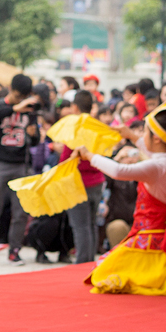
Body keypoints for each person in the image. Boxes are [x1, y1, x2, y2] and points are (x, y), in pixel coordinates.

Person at [79, 96, 166, 295]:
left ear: (157, 138)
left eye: (144, 132)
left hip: (150, 236)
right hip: (161, 233)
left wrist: (89, 156)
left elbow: (119, 171)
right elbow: (156, 152)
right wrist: (130, 136)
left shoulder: (156, 166)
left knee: (103, 271)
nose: (141, 136)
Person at [0, 73, 40, 266]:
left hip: (21, 165)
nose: (21, 100)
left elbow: (36, 139)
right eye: (17, 95)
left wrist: (34, 134)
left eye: (23, 97)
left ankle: (15, 250)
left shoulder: (29, 110)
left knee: (21, 212)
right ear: (11, 90)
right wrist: (14, 108)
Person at [63, 90, 106, 264]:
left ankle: (82, 262)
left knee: (80, 226)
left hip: (78, 182)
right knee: (91, 224)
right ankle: (89, 262)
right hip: (97, 181)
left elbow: (66, 158)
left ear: (74, 107)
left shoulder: (75, 128)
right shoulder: (97, 127)